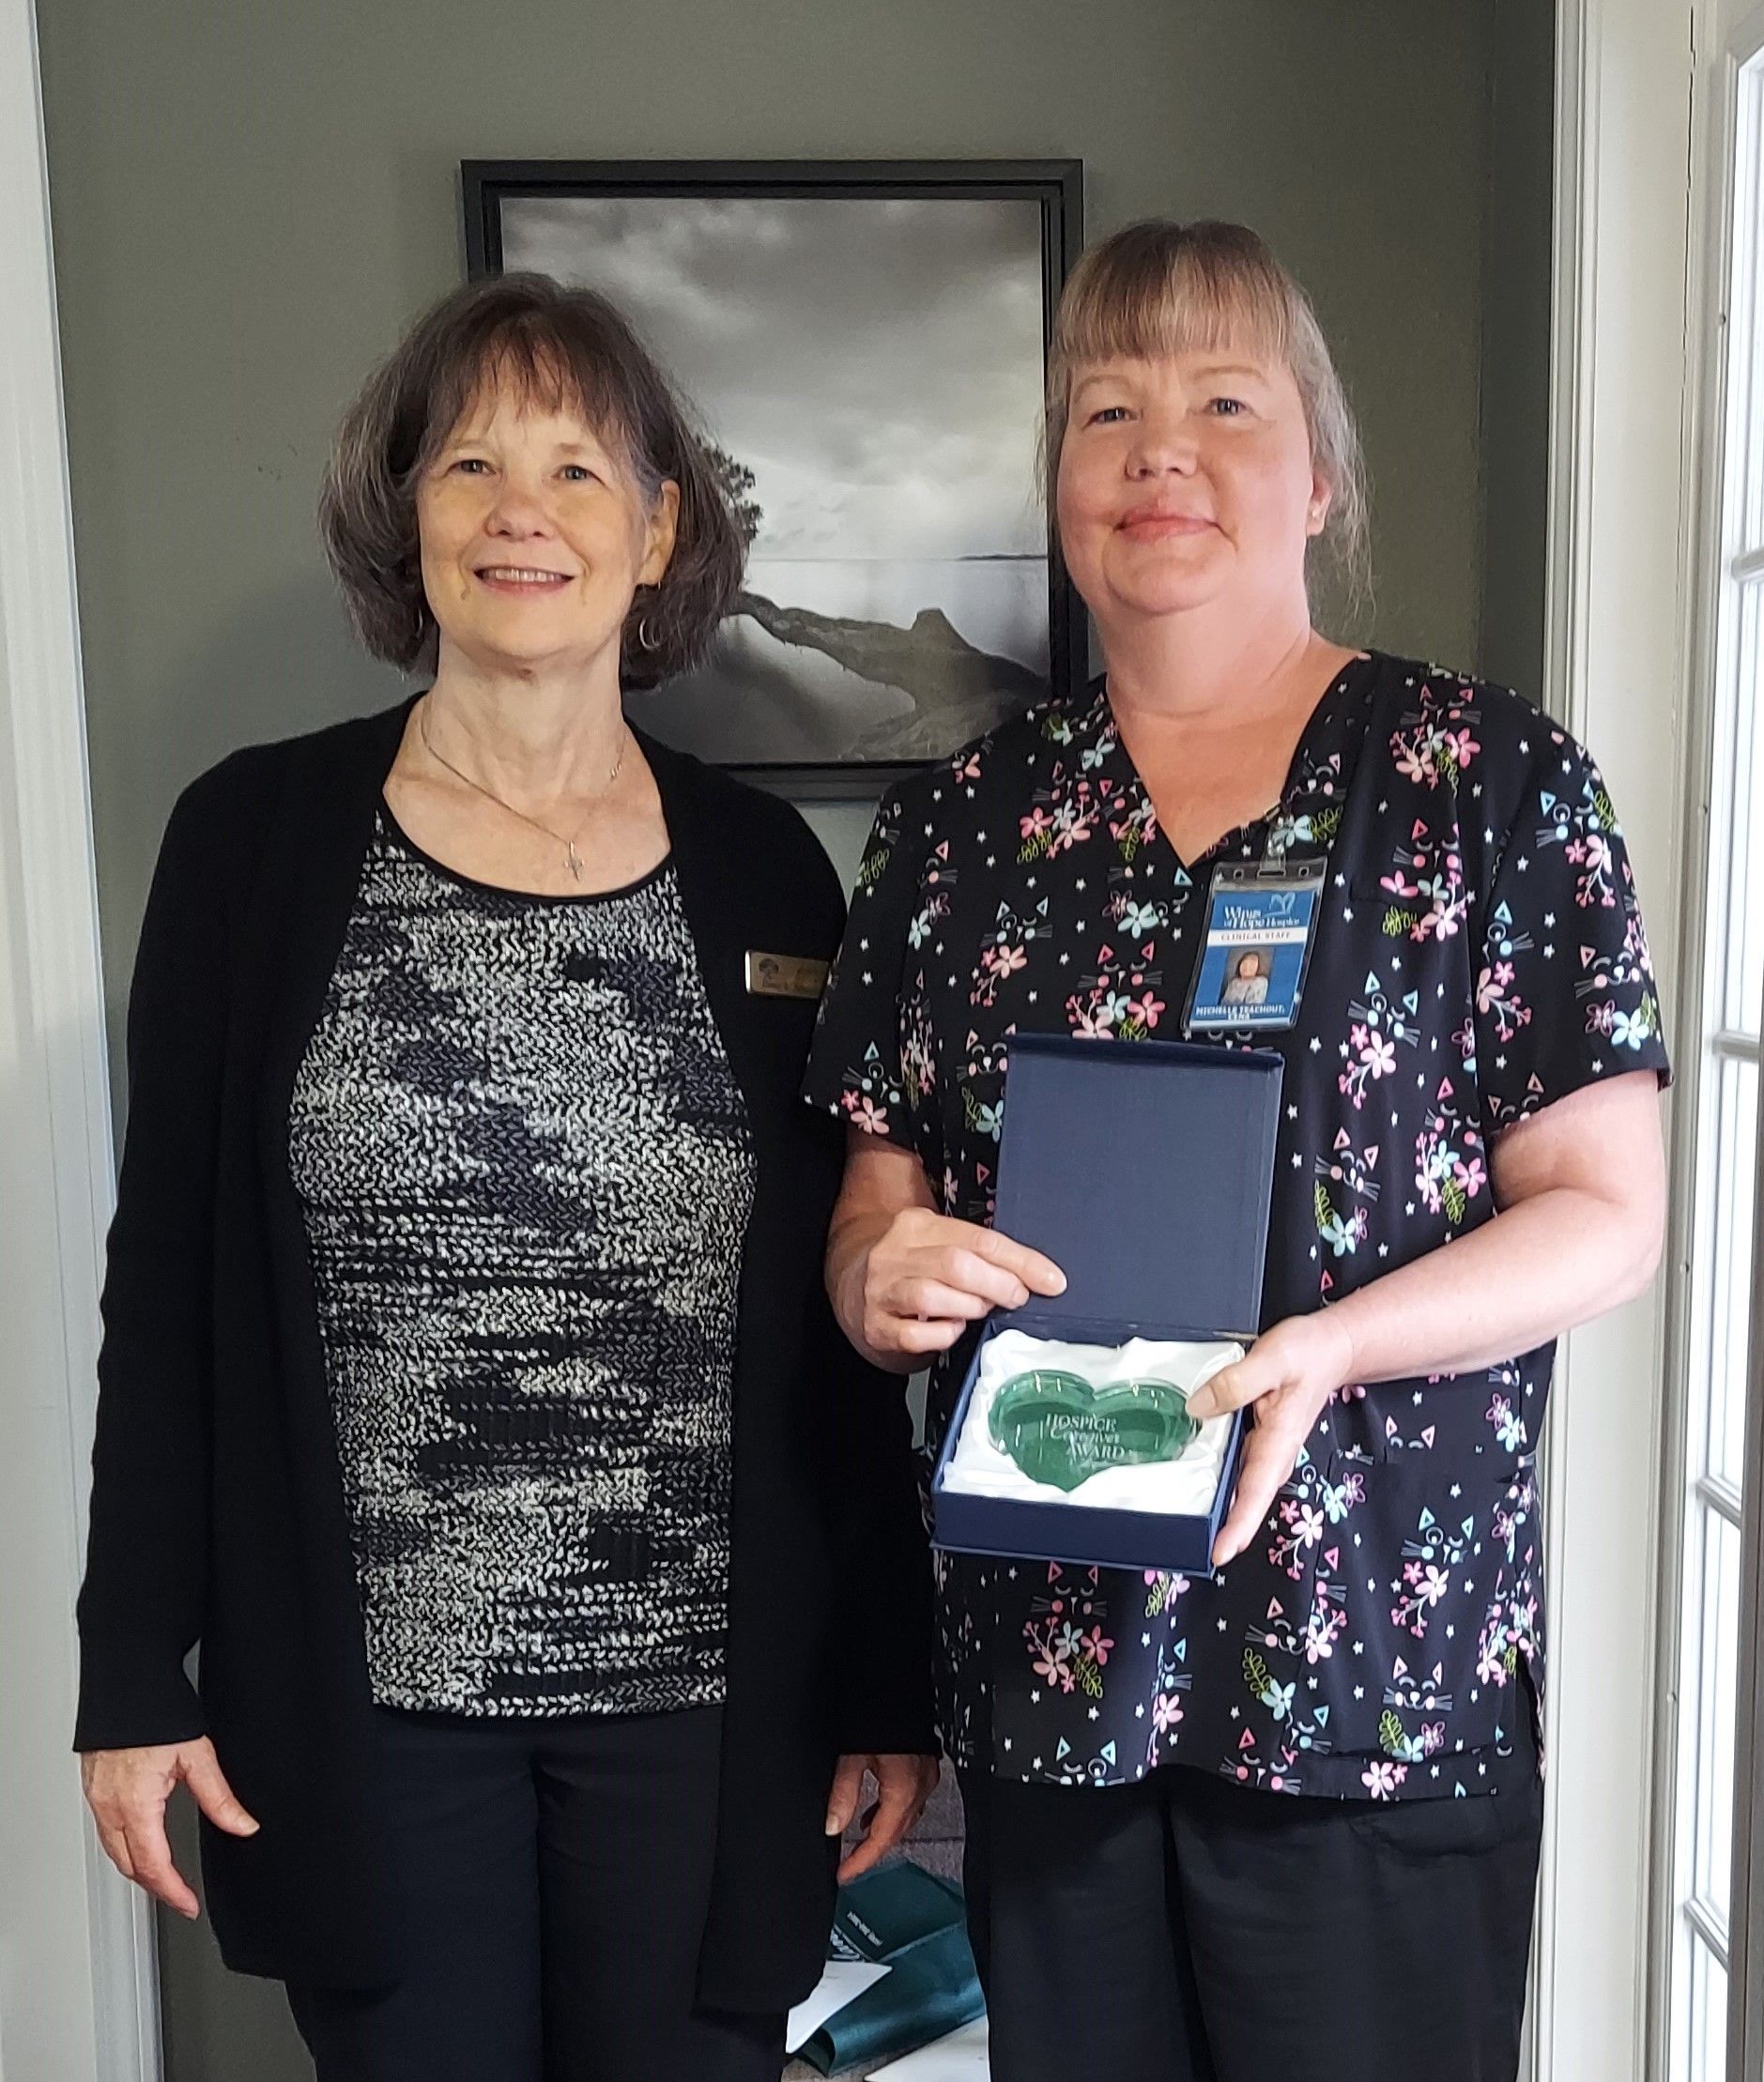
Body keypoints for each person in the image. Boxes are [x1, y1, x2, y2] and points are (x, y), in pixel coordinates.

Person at [805, 220, 1669, 2082]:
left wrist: (1330, 1343)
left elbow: (1605, 1214)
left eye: (1220, 400)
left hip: (1372, 1674)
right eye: (1102, 408)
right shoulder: (957, 827)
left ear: (1318, 471)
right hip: (1055, 1674)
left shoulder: (1486, 782)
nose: (1155, 453)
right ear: (1057, 483)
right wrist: (880, 1274)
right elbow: (877, 1202)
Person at [74, 272, 938, 2082]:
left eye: (572, 466)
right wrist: (131, 1673)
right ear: (410, 518)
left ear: (659, 528)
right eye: (469, 463)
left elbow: (828, 1314)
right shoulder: (251, 843)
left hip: (708, 1719)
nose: (519, 510)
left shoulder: (770, 874)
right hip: (368, 1714)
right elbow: (165, 1299)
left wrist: (883, 1673)